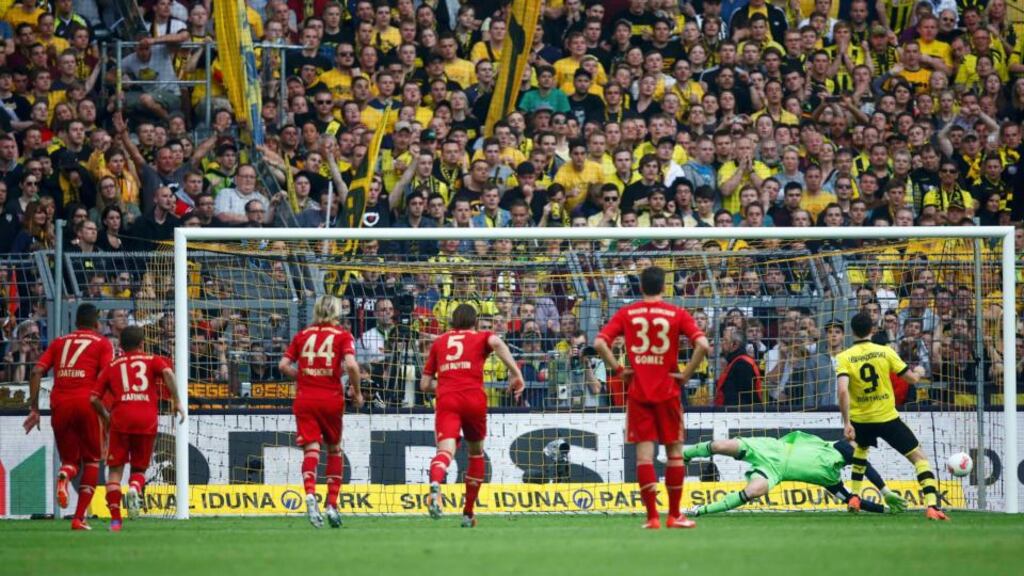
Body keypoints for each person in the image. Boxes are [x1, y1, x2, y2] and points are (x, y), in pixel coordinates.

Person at [593, 266, 711, 529]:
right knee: (675, 454)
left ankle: (652, 518)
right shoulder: (676, 313)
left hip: (638, 392)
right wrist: (685, 374)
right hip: (668, 391)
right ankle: (675, 515)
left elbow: (600, 342)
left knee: (644, 457)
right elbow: (703, 344)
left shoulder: (627, 312)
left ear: (642, 286)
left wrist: (619, 369)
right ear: (663, 287)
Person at [420, 303, 524, 527]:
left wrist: (447, 383)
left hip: (447, 399)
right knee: (476, 454)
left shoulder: (439, 342)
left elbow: (424, 384)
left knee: (445, 451)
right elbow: (497, 342)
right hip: (474, 398)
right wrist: (516, 374)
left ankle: (436, 486)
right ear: (475, 322)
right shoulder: (481, 337)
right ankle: (468, 513)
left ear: (452, 322)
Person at [837, 311, 947, 521]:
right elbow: (912, 379)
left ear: (852, 332)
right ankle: (932, 505)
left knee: (861, 451)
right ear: (872, 329)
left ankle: (854, 496)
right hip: (887, 418)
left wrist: (847, 422)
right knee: (919, 458)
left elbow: (842, 391)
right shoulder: (885, 352)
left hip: (861, 419)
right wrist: (921, 371)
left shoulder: (844, 357)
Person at [23, 304, 113, 530]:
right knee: (92, 461)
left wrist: (34, 408)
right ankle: (78, 518)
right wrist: (107, 411)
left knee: (71, 461)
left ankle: (64, 473)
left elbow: (36, 371)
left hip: (60, 404)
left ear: (76, 323)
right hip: (88, 403)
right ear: (96, 323)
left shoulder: (59, 342)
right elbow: (106, 376)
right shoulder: (103, 343)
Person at [278, 295, 363, 528]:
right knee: (334, 449)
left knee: (311, 449)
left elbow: (283, 365)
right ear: (337, 312)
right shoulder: (343, 336)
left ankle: (309, 493)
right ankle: (332, 506)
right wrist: (357, 391)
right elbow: (353, 366)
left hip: (305, 399)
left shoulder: (302, 335)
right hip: (330, 399)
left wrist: (304, 377)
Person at [90, 325, 183, 532]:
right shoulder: (152, 360)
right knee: (139, 469)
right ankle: (134, 488)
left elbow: (93, 398)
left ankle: (115, 521)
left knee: (114, 471)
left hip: (121, 419)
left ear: (121, 346)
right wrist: (176, 400)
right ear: (142, 343)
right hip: (146, 419)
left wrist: (106, 417)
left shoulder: (113, 365)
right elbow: (168, 372)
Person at [683, 431, 908, 515]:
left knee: (755, 490)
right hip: (771, 447)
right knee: (722, 446)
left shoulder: (831, 480)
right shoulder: (839, 448)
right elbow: (865, 467)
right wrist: (885, 490)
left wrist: (884, 508)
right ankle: (684, 455)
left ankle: (700, 510)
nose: (859, 446)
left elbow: (851, 500)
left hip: (775, 470)